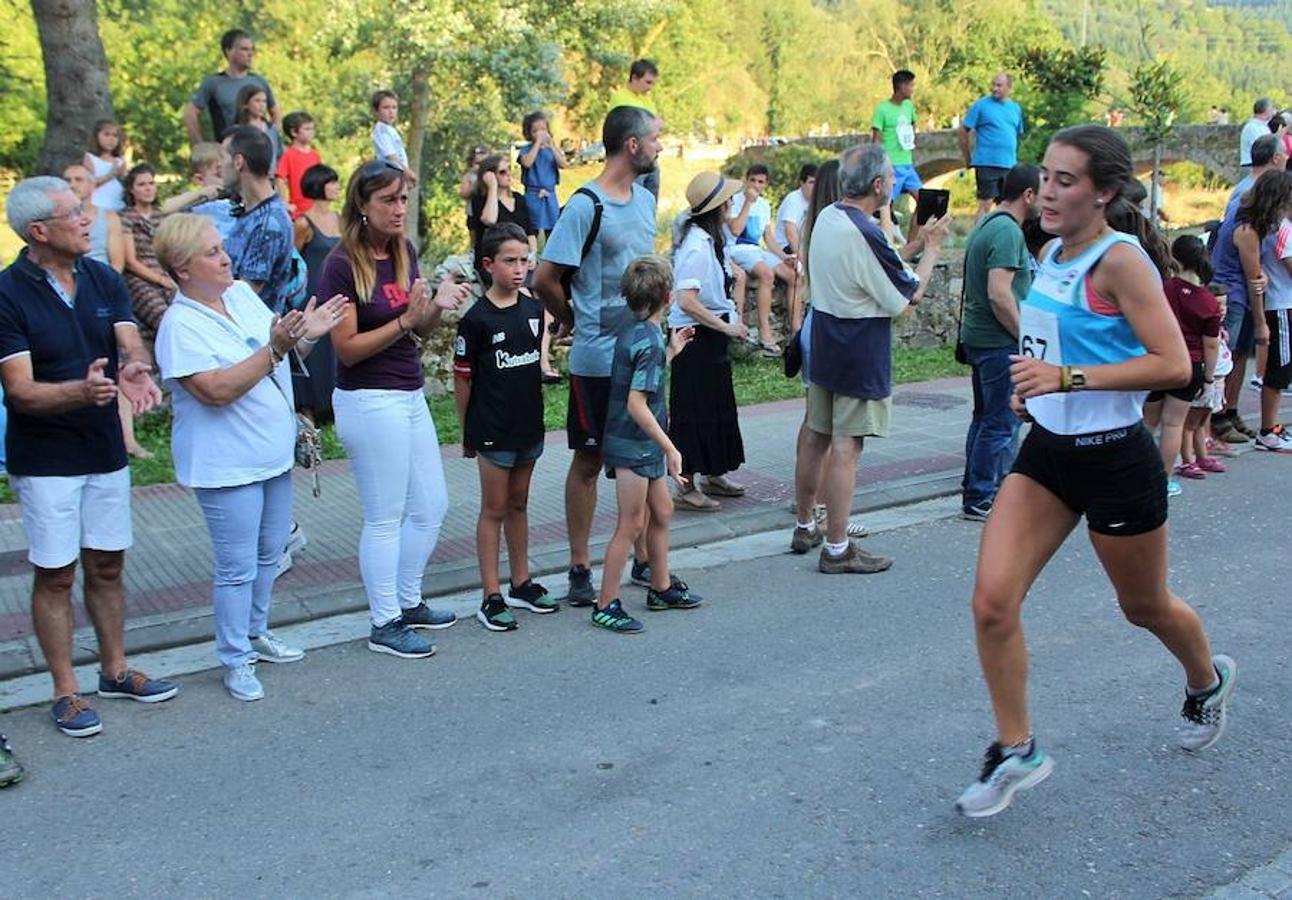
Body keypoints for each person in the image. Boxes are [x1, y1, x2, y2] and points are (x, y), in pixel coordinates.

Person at [955, 125, 1236, 819]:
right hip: (1048, 455)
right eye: (1045, 177)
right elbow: (1048, 344)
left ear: (1104, 192)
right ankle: (1016, 748)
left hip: (1115, 460)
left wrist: (1067, 377)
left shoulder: (1123, 263)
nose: (1046, 192)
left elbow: (1175, 366)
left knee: (1143, 607)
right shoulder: (1050, 252)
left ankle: (1206, 679)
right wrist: (1032, 383)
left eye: (1065, 181)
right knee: (992, 602)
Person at [0, 176, 176, 738]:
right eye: (74, 212)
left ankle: (115, 670)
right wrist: (80, 391)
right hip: (47, 456)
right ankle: (65, 690)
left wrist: (134, 365)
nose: (87, 218)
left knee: (108, 564)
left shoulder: (101, 275)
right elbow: (20, 390)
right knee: (55, 574)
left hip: (103, 448)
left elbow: (128, 336)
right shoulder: (7, 294)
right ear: (39, 231)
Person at [153, 214, 346, 700]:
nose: (225, 258)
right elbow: (217, 390)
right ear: (181, 268)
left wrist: (312, 333)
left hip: (271, 454)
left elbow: (282, 348)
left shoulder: (238, 293)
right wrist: (277, 347)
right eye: (213, 252)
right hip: (226, 466)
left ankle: (257, 633)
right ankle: (235, 658)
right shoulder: (179, 325)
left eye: (222, 248)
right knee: (236, 567)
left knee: (270, 554)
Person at [320, 160, 470, 659]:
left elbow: (419, 328)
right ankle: (384, 622)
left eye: (403, 198)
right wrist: (407, 319)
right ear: (362, 206)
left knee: (432, 506)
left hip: (407, 393)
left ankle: (407, 602)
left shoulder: (404, 250)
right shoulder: (341, 264)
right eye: (387, 199)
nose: (399, 208)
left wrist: (435, 307)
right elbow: (346, 349)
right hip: (367, 399)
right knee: (385, 515)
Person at [790, 144, 949, 572]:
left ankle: (806, 522)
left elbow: (878, 265)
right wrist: (932, 248)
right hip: (859, 345)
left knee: (815, 433)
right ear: (878, 185)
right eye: (892, 179)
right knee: (847, 446)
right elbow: (907, 296)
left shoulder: (826, 217)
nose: (896, 184)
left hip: (824, 336)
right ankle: (838, 547)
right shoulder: (866, 230)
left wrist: (912, 244)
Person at [533, 105, 662, 607]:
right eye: (654, 139)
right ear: (631, 145)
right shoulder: (585, 205)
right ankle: (580, 566)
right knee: (588, 462)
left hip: (641, 357)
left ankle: (647, 560)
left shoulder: (646, 201)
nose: (658, 147)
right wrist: (571, 318)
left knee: (646, 458)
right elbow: (544, 278)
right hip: (596, 360)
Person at [453, 223, 558, 631]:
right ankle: (491, 595)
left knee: (519, 504)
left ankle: (521, 582)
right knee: (493, 509)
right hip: (491, 430)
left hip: (528, 426)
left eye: (524, 261)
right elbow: (463, 381)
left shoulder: (533, 309)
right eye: (509, 261)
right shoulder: (476, 320)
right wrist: (468, 433)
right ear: (488, 265)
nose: (519, 269)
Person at [593, 255, 700, 634]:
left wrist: (672, 352)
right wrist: (670, 447)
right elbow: (635, 403)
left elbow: (645, 377)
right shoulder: (649, 342)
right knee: (631, 523)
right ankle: (605, 603)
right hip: (634, 445)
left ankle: (661, 586)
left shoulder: (640, 331)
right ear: (668, 296)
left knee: (663, 511)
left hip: (641, 444)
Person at [958, 164, 1040, 521]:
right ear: (1028, 195)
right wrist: (1025, 337)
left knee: (985, 418)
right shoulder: (1008, 233)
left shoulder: (988, 224)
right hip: (997, 341)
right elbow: (999, 293)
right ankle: (982, 496)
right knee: (1001, 421)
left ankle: (979, 491)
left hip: (981, 338)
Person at [668, 171, 749, 513]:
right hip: (695, 338)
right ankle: (686, 487)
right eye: (728, 199)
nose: (732, 203)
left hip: (709, 336)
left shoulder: (711, 241)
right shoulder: (697, 247)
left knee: (716, 406)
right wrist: (726, 327)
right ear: (717, 206)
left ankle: (715, 472)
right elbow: (685, 299)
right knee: (693, 411)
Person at [1211, 170, 1292, 444]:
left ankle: (1230, 411)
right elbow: (1253, 278)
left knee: (1239, 356)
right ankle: (1218, 417)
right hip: (1234, 296)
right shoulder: (1247, 229)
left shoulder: (1243, 212)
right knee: (1228, 357)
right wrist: (1260, 325)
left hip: (1238, 294)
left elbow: (1257, 275)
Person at [1161, 235, 1223, 480]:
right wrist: (1209, 378)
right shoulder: (1208, 300)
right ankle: (1163, 480)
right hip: (1190, 363)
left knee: (1148, 421)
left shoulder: (1164, 288)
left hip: (1159, 358)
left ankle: (1136, 477)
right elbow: (1211, 344)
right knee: (1173, 424)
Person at [221, 126, 296, 315]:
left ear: (238, 162)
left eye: (222, 158)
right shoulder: (249, 211)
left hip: (252, 337)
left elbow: (246, 297)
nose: (218, 166)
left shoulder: (268, 223)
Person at [728, 164, 798, 355]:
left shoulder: (765, 205)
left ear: (766, 184)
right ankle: (764, 332)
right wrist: (748, 203)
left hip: (756, 250)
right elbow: (734, 230)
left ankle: (795, 330)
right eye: (753, 180)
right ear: (746, 180)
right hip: (736, 249)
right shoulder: (735, 200)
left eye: (761, 182)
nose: (756, 185)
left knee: (793, 275)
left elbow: (768, 238)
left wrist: (785, 256)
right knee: (766, 274)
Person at [292, 164, 342, 425]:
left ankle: (335, 406)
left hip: (338, 293)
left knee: (336, 350)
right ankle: (309, 407)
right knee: (315, 351)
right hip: (311, 293)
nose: (336, 187)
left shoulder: (341, 219)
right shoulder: (303, 223)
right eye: (331, 182)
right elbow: (292, 260)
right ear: (318, 184)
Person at [1248, 178, 1292, 451]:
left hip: (1282, 304)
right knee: (1279, 369)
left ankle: (1272, 427)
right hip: (1281, 305)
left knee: (1281, 368)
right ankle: (1268, 429)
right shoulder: (1281, 230)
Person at [184, 29, 279, 145]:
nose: (250, 54)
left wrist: (273, 139)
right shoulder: (214, 83)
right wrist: (200, 145)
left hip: (260, 151)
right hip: (228, 152)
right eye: (244, 49)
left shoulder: (259, 81)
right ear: (228, 51)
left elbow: (276, 112)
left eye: (251, 49)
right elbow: (190, 112)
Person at [959, 73, 1026, 220]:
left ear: (1009, 88)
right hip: (986, 162)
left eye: (999, 85)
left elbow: (1017, 134)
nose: (994, 88)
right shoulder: (981, 105)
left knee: (1008, 205)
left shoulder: (1015, 109)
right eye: (993, 84)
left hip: (1009, 164)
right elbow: (963, 130)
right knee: (985, 204)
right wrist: (968, 158)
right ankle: (976, 241)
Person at [119, 164, 175, 337]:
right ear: (131, 190)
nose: (148, 188)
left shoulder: (163, 216)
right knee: (164, 319)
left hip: (166, 273)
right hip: (138, 277)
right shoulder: (125, 217)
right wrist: (159, 279)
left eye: (151, 183)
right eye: (141, 184)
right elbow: (130, 261)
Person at [467, 154, 537, 280]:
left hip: (519, 262)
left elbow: (530, 233)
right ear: (490, 176)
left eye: (509, 169)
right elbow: (489, 220)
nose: (508, 174)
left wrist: (532, 255)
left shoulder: (519, 199)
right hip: (494, 264)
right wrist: (492, 187)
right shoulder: (479, 200)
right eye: (502, 172)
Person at [871, 70, 921, 236]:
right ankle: (887, 244)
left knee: (925, 202)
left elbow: (913, 124)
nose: (913, 89)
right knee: (885, 207)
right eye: (911, 85)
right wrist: (878, 163)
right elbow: (876, 138)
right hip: (891, 165)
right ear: (901, 86)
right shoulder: (882, 109)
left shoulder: (909, 106)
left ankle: (911, 244)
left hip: (907, 163)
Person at [159, 142, 236, 240]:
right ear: (199, 179)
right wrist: (200, 194)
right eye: (219, 174)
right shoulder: (195, 202)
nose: (225, 178)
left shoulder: (236, 197)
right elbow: (166, 208)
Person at [608, 59, 661, 198]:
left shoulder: (647, 101)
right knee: (634, 198)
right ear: (634, 78)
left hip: (650, 158)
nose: (650, 87)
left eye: (653, 83)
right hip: (632, 161)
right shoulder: (620, 98)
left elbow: (656, 125)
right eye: (648, 82)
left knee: (650, 199)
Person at [62, 163, 124, 272]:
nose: (72, 185)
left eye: (79, 180)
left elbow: (117, 264)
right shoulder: (56, 219)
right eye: (68, 180)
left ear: (92, 185)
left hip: (102, 279)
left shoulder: (110, 218)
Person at [518, 110, 568, 238]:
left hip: (550, 194)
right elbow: (527, 163)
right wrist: (537, 144)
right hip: (532, 194)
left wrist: (551, 145)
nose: (540, 134)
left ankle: (551, 255)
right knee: (531, 229)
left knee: (552, 230)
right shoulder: (526, 150)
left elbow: (563, 164)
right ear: (529, 133)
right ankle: (531, 254)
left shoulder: (552, 150)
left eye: (543, 130)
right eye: (535, 131)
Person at [275, 111, 320, 219]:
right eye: (307, 129)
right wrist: (284, 204)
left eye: (312, 129)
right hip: (298, 212)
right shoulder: (288, 155)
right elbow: (280, 179)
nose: (311, 132)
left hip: (315, 210)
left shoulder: (315, 155)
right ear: (294, 132)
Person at [233, 83, 282, 169]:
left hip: (270, 178)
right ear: (245, 104)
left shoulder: (271, 130)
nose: (262, 105)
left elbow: (279, 155)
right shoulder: (238, 131)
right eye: (257, 101)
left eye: (264, 101)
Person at [84, 119, 126, 212]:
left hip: (117, 206)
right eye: (107, 134)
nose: (111, 139)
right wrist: (110, 175)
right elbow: (88, 184)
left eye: (115, 136)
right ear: (97, 136)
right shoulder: (89, 158)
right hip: (97, 206)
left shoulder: (119, 161)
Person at [371, 90, 409, 171]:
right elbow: (391, 156)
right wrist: (407, 171)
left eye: (394, 107)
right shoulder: (381, 130)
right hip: (389, 170)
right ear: (376, 111)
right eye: (386, 108)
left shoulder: (390, 129)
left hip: (399, 169)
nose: (391, 111)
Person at [1240, 98, 1276, 167]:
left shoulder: (1263, 127)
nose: (1273, 112)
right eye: (1272, 109)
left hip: (1260, 165)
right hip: (1251, 166)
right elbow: (1261, 147)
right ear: (1267, 110)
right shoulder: (1252, 127)